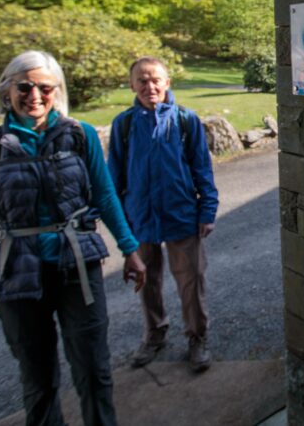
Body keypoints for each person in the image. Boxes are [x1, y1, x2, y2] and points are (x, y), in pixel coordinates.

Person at [0, 50, 146, 426]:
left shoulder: (80, 135)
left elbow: (104, 197)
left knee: (93, 372)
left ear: (57, 91)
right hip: (16, 277)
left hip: (77, 267)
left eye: (45, 87)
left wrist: (130, 249)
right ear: (7, 91)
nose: (34, 95)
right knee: (38, 381)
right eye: (24, 86)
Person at [107, 57, 219, 373]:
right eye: (142, 80)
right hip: (139, 218)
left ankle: (197, 338)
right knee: (146, 281)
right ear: (132, 85)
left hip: (182, 214)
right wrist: (118, 222)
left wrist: (207, 210)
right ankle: (155, 334)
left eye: (156, 79)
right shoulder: (124, 124)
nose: (149, 86)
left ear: (167, 83)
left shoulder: (186, 120)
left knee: (191, 281)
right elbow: (113, 175)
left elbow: (202, 168)